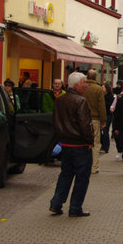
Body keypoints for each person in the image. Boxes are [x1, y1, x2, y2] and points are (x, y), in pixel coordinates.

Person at [49, 72, 94, 217]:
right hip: (80, 145)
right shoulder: (80, 101)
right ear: (76, 85)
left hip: (66, 144)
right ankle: (75, 208)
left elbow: (55, 121)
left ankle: (56, 203)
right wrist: (90, 140)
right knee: (81, 177)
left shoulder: (60, 100)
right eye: (84, 83)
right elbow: (85, 124)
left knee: (65, 175)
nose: (86, 85)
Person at [83, 70, 106, 174]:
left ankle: (83, 165)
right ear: (96, 77)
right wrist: (104, 120)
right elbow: (101, 106)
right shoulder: (98, 89)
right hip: (95, 119)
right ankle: (94, 167)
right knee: (95, 143)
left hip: (82, 118)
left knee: (83, 142)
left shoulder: (82, 87)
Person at [102, 83, 115, 154]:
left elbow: (109, 106)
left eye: (103, 87)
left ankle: (106, 147)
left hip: (108, 115)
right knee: (102, 132)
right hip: (103, 115)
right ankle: (103, 144)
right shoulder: (101, 95)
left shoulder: (109, 96)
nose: (102, 89)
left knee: (105, 131)